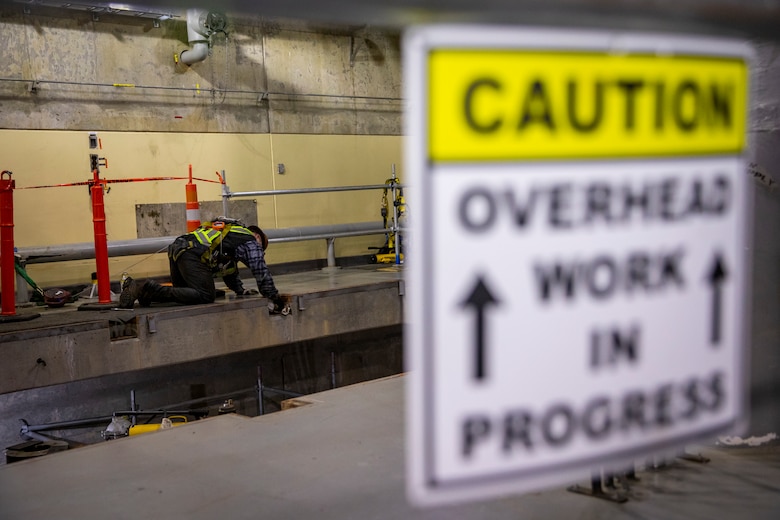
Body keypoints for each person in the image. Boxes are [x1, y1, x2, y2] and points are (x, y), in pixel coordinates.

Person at [119, 217, 289, 314]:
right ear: (257, 237)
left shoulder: (230, 235)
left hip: (178, 250)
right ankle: (146, 288)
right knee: (206, 295)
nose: (259, 250)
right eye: (261, 247)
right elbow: (260, 268)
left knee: (185, 297)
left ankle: (141, 292)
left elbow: (230, 271)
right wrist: (273, 296)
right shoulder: (250, 239)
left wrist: (240, 290)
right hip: (192, 255)